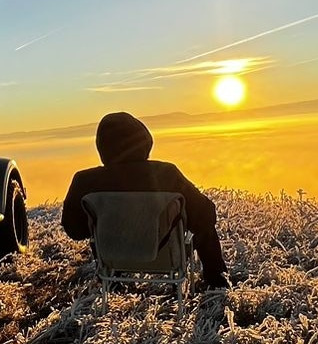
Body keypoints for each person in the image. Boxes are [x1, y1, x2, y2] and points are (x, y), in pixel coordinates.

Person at [61, 111, 230, 289]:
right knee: (206, 229)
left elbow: (75, 230)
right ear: (144, 141)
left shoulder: (84, 181)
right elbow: (206, 215)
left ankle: (113, 282)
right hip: (165, 255)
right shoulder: (166, 174)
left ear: (101, 146)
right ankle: (216, 282)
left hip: (114, 255)